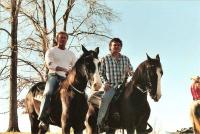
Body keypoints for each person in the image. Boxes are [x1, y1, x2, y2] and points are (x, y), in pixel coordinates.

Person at [38, 31, 76, 129]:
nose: (63, 39)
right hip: (54, 76)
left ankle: (80, 119)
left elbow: (75, 67)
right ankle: (43, 120)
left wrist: (72, 73)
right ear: (57, 39)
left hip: (66, 79)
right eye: (61, 37)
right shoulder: (51, 51)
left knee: (81, 94)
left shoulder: (71, 54)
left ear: (67, 40)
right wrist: (63, 69)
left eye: (65, 38)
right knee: (48, 93)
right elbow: (49, 64)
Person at [97, 37, 134, 131]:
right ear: (110, 47)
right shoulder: (105, 59)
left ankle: (138, 120)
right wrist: (105, 83)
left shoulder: (126, 59)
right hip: (111, 86)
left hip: (124, 86)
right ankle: (100, 123)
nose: (117, 46)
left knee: (137, 97)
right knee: (105, 99)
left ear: (121, 47)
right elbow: (101, 73)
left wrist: (129, 71)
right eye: (115, 45)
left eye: (118, 45)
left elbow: (132, 72)